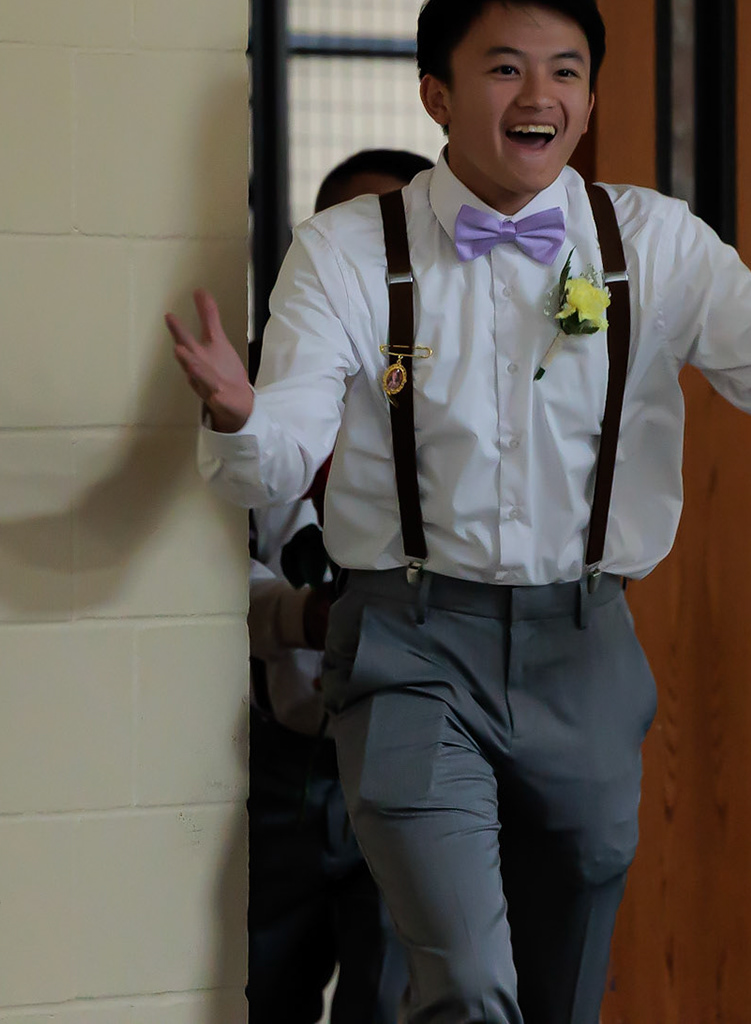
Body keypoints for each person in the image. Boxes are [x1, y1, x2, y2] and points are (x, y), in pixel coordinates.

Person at [168, 0, 751, 1024]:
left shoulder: (657, 243)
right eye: (505, 67)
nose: (539, 94)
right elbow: (285, 451)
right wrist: (241, 414)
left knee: (564, 989)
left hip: (585, 646)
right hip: (409, 647)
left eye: (566, 70)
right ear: (437, 95)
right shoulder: (346, 251)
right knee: (465, 982)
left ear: (591, 100)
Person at [245, 150, 429, 1024]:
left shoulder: (461, 407)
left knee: (394, 998)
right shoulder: (261, 401)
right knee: (260, 987)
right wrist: (300, 615)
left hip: (414, 753)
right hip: (279, 761)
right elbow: (194, 587)